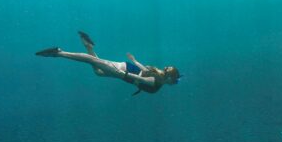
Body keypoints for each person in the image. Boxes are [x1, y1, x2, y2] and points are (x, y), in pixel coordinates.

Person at [36, 31, 181, 95]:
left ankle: (88, 46)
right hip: (125, 72)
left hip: (126, 70)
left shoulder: (157, 76)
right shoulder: (157, 82)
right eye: (173, 81)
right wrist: (123, 73)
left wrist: (134, 61)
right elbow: (140, 78)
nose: (172, 84)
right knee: (92, 60)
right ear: (169, 78)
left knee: (98, 71)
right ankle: (59, 53)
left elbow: (144, 71)